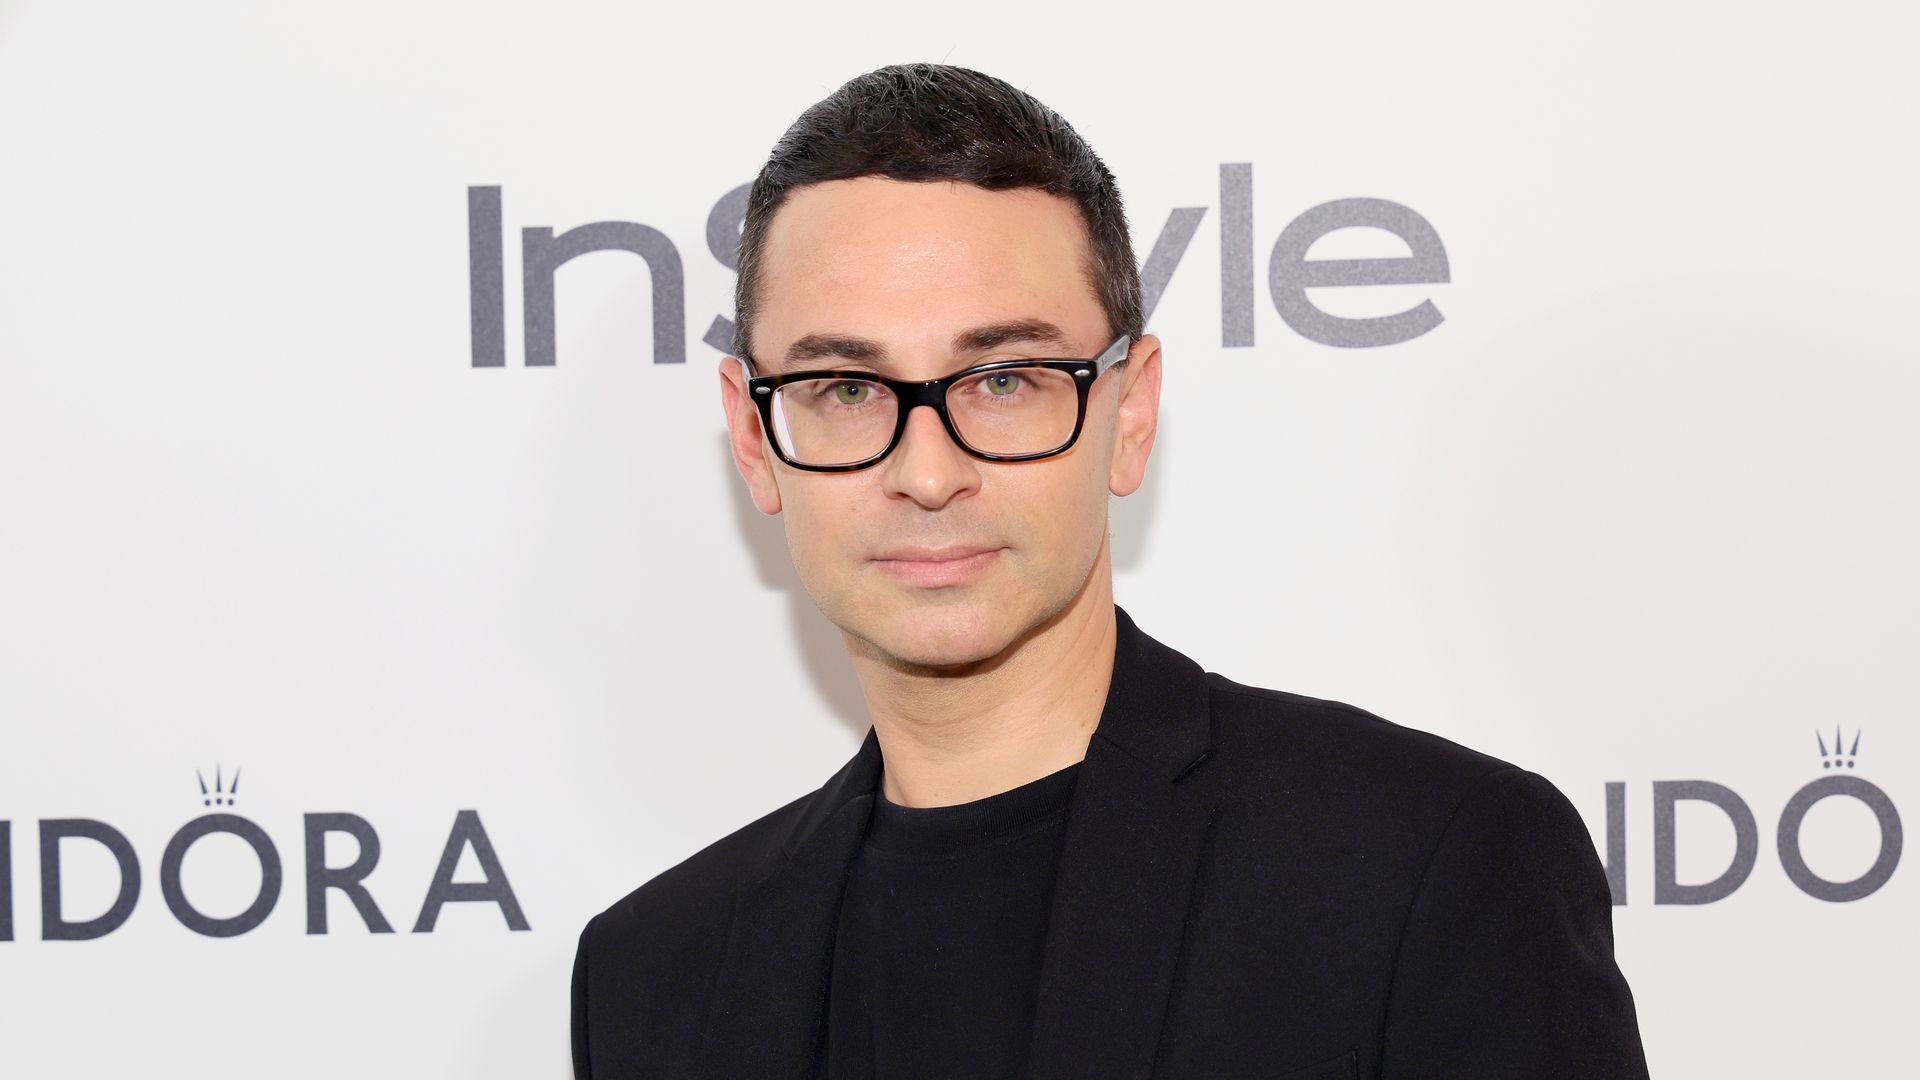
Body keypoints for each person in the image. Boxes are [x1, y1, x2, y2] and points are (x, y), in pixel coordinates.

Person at [570, 62, 1651, 1080]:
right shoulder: (655, 973)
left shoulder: (1426, 865)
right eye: (846, 389)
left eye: (1003, 379)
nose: (928, 472)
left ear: (1126, 413)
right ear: (756, 441)